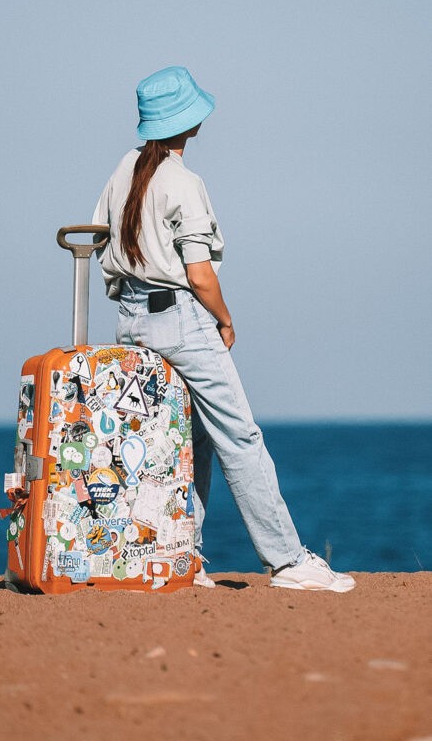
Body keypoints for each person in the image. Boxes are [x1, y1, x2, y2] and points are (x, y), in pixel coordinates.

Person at [92, 66, 354, 592]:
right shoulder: (183, 182)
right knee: (239, 435)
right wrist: (224, 318)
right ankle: (286, 561)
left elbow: (101, 241)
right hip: (181, 319)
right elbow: (199, 273)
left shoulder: (124, 168)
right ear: (190, 121)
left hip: (130, 320)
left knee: (185, 441)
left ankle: (182, 554)